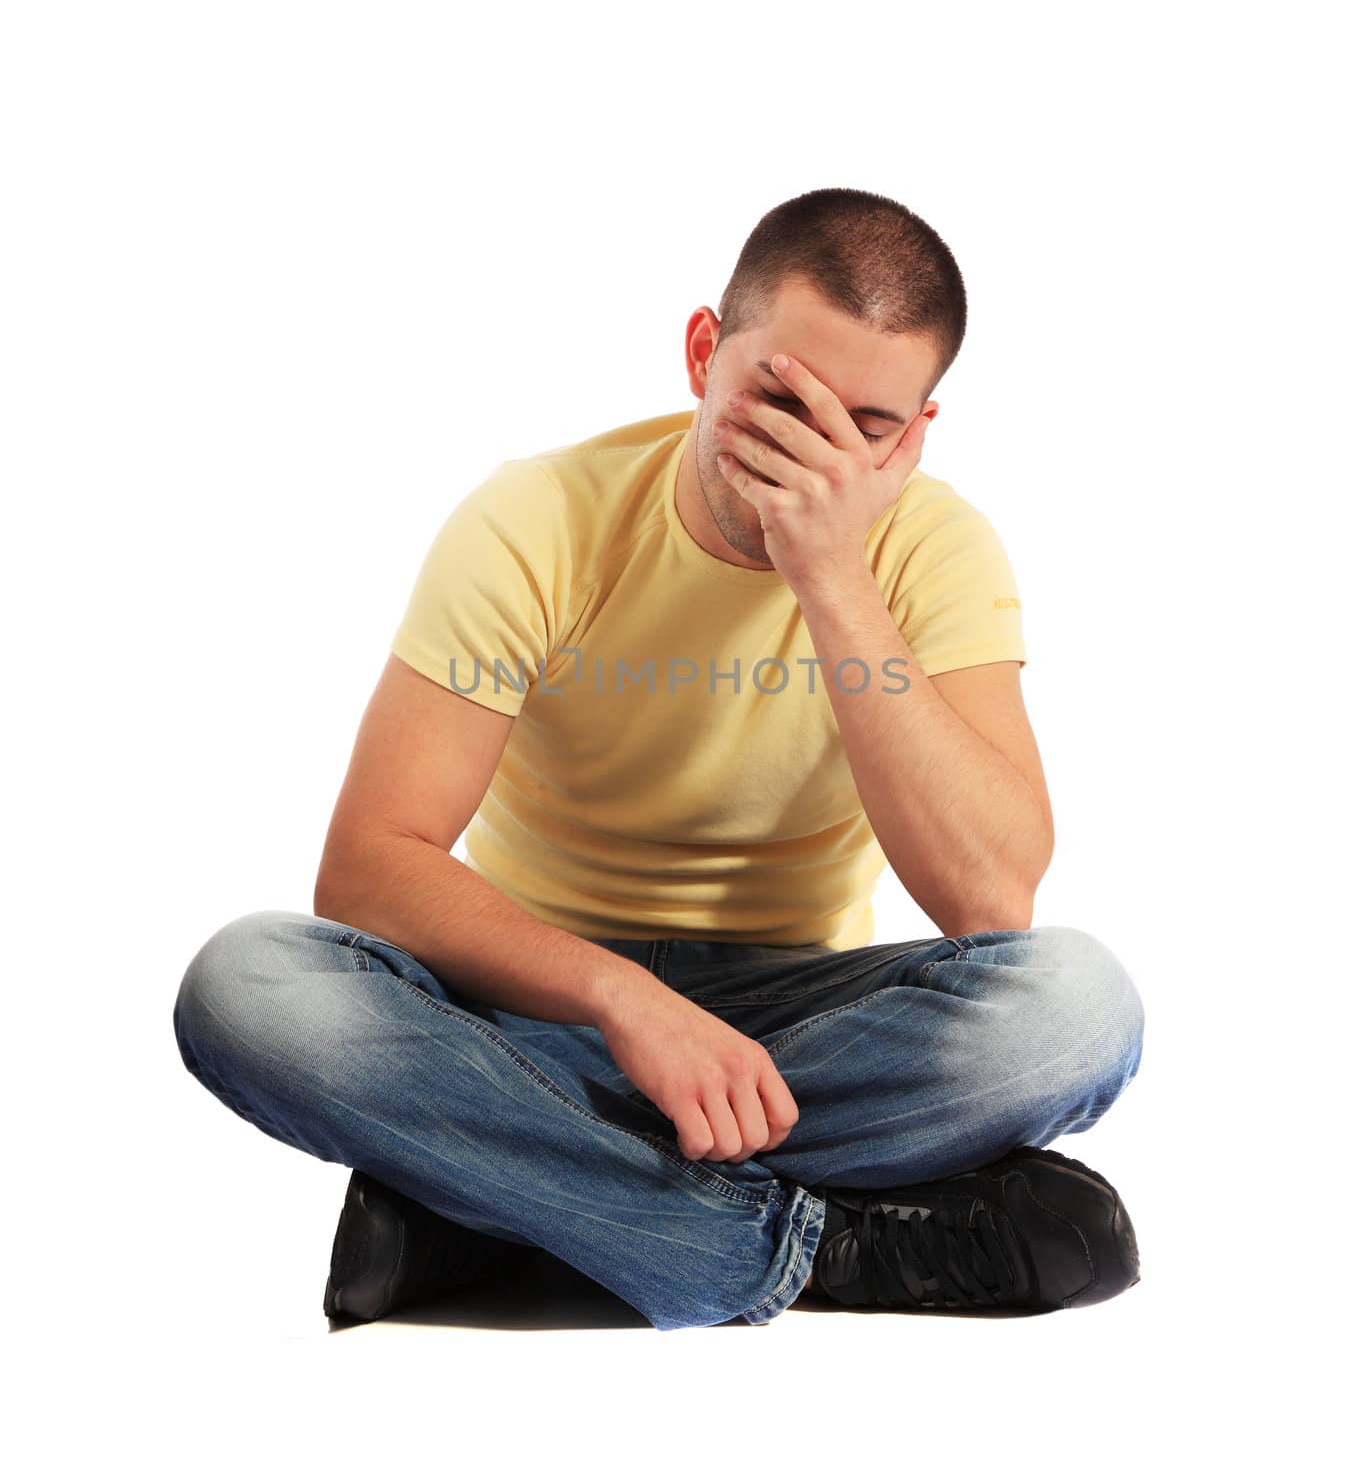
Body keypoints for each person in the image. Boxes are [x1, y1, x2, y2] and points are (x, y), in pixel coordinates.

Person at [172, 186, 1145, 1332]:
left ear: (920, 431)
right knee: (247, 984)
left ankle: (494, 1198)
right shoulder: (537, 517)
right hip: (532, 995)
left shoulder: (932, 546)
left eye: (865, 428)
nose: (808, 454)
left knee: (1074, 1008)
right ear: (702, 352)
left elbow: (988, 897)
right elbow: (372, 868)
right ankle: (801, 1242)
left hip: (791, 1027)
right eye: (781, 399)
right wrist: (620, 995)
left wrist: (831, 575)